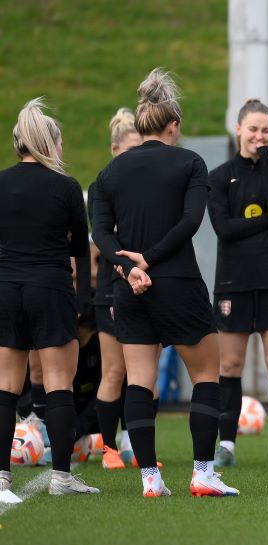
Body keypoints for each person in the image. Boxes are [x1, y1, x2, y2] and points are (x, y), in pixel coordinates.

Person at [92, 68, 239, 498]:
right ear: (173, 125)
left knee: (139, 380)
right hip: (178, 283)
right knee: (207, 374)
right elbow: (191, 222)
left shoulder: (110, 173)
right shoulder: (190, 162)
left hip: (129, 288)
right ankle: (202, 472)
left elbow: (101, 235)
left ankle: (150, 479)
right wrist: (150, 260)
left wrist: (127, 266)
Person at [0, 98, 100, 503]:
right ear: (48, 142)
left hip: (7, 288)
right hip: (50, 289)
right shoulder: (65, 187)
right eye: (59, 142)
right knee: (59, 383)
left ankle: (1, 481)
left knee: (6, 387)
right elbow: (80, 250)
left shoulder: (1, 182)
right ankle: (61, 476)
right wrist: (81, 301)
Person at [208, 98, 268, 469]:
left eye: (265, 130)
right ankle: (226, 444)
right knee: (230, 366)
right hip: (234, 282)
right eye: (253, 129)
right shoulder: (218, 177)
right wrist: (265, 223)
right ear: (239, 129)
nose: (259, 136)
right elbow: (224, 229)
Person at [90, 108, 159, 470]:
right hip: (113, 285)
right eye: (129, 149)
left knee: (148, 374)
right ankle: (109, 448)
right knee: (114, 370)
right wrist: (126, 267)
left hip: (148, 283)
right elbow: (103, 236)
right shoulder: (107, 185)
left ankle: (137, 444)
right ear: (115, 149)